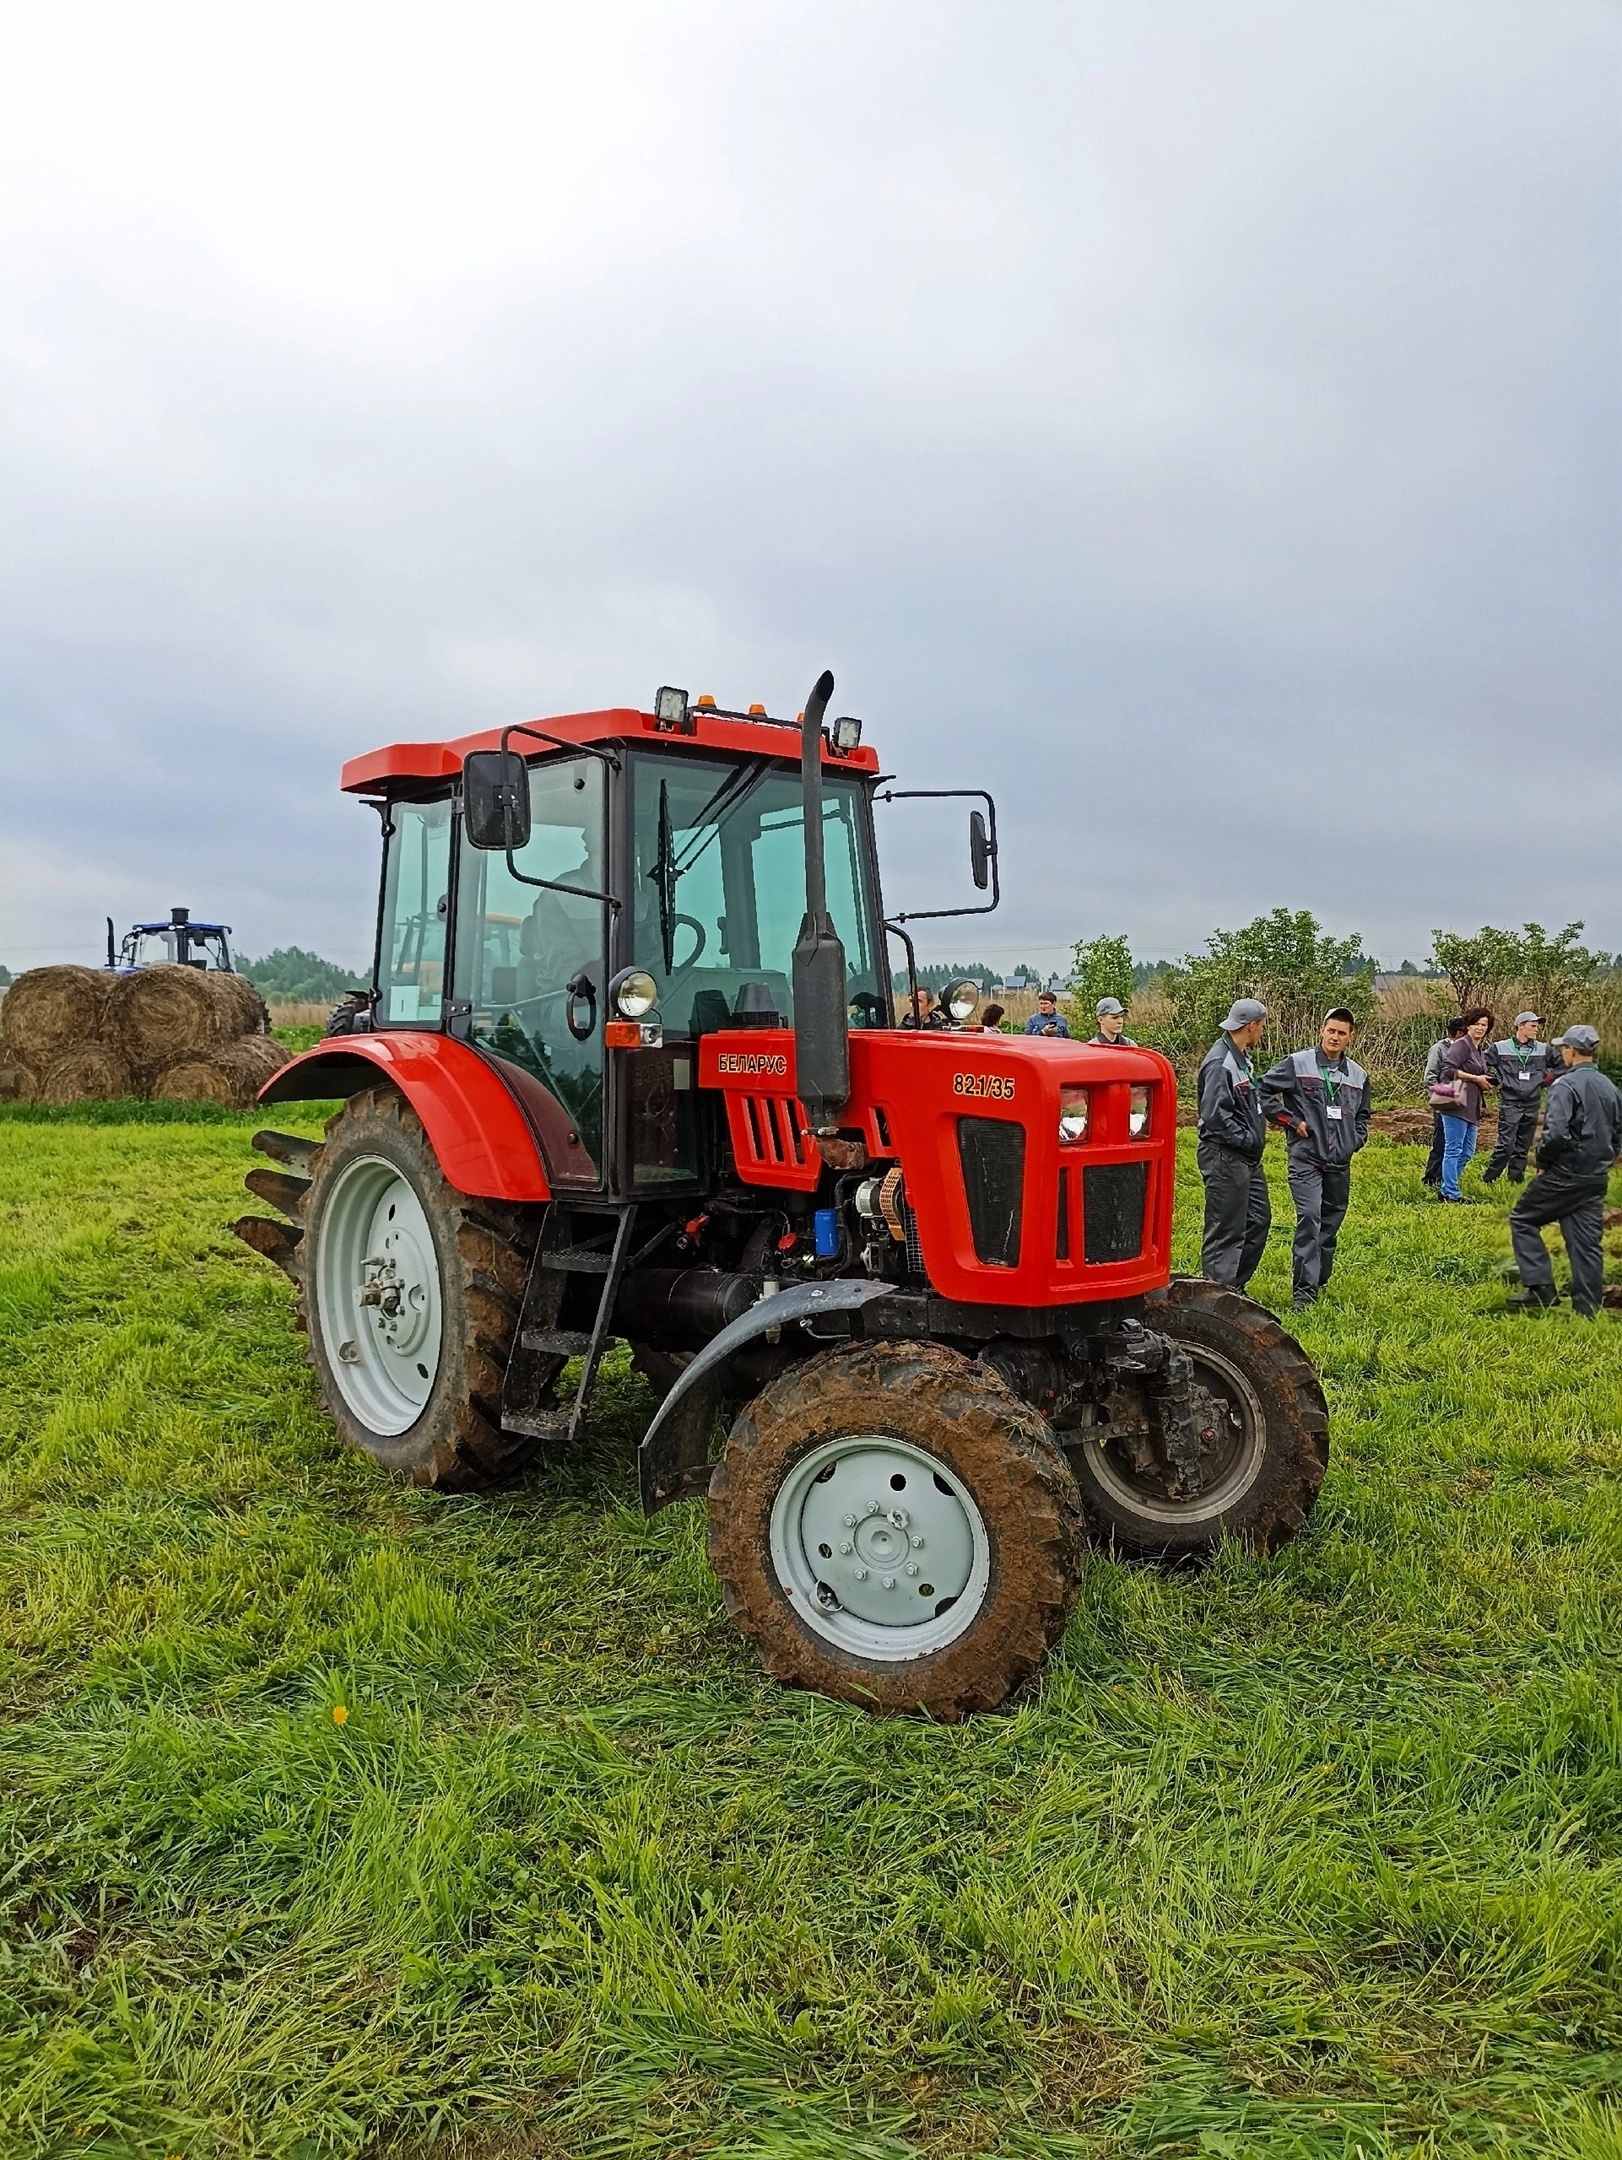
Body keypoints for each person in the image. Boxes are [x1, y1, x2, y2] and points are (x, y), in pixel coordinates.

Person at [1260, 1007, 1372, 1308]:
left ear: (1350, 1037)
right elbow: (1263, 1090)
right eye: (1331, 1030)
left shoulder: (1358, 1075)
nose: (1335, 1037)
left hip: (1340, 1161)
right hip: (1306, 1158)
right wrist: (1290, 1121)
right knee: (1310, 1218)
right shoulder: (1297, 1063)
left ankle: (1320, 1280)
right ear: (1321, 1031)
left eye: (1342, 1033)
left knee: (1330, 1222)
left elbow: (1363, 1115)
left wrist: (1355, 1140)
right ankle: (1303, 1293)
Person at [1506, 1025, 1622, 1317]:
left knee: (1523, 1217)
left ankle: (1541, 1288)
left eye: (1562, 1049)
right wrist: (1604, 1163)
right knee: (1586, 1243)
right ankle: (1588, 1309)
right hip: (1595, 1177)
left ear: (1571, 1050)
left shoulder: (1565, 1086)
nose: (1561, 1053)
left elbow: (1556, 1134)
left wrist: (1544, 1163)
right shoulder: (1611, 1087)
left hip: (1565, 1173)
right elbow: (1618, 1135)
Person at [1197, 998, 1271, 1292]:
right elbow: (1215, 1116)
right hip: (1225, 1156)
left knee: (1258, 1220)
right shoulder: (1220, 1063)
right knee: (1226, 1229)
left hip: (1247, 1158)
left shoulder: (1242, 1057)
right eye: (1261, 1027)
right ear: (1250, 1026)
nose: (1262, 1033)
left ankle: (1234, 1289)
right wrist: (1247, 1139)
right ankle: (1216, 1296)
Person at [1483, 1012, 1559, 1185]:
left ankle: (1515, 1181)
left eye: (1538, 1026)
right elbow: (1481, 1064)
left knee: (1522, 1147)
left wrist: (1546, 1080)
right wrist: (1497, 1080)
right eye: (1533, 1026)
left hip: (1532, 1103)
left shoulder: (1543, 1049)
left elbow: (1560, 1066)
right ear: (1520, 1026)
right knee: (1506, 1146)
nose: (1536, 1029)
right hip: (1510, 1103)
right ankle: (1489, 1179)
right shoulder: (1500, 1047)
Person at [1435, 1007, 1494, 1202]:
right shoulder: (1462, 1045)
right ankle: (1451, 1193)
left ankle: (1446, 1187)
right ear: (1468, 1025)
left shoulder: (1477, 1049)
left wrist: (1484, 1082)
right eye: (1476, 1023)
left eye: (1484, 1024)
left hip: (1472, 1105)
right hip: (1456, 1103)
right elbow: (1447, 1070)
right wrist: (1476, 1078)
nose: (1479, 1028)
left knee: (1467, 1151)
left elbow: (1476, 1074)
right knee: (1453, 1149)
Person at [1422, 1016, 1469, 1188]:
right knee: (1442, 1141)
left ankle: (1447, 1178)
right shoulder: (1439, 1049)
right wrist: (1445, 1097)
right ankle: (1431, 1178)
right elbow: (1430, 1077)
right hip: (1446, 1099)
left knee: (1459, 1143)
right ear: (1459, 1033)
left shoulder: (1467, 1049)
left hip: (1465, 1101)